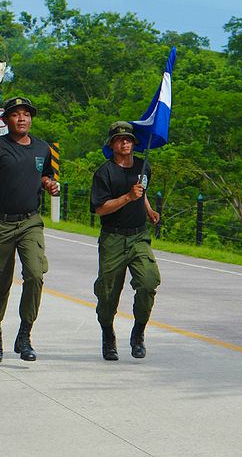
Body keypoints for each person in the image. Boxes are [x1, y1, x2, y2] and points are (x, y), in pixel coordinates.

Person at [0, 96, 60, 364]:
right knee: (0, 281)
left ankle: (25, 334)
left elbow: (44, 175)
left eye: (26, 114)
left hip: (30, 221)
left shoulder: (42, 148)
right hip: (2, 223)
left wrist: (49, 184)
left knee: (35, 274)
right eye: (15, 114)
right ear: (4, 120)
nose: (22, 119)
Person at [90, 121, 161, 361]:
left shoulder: (143, 167)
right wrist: (128, 197)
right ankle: (108, 333)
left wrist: (147, 208)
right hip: (113, 237)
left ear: (134, 142)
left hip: (139, 235)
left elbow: (142, 190)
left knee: (148, 282)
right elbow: (100, 208)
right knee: (108, 293)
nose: (125, 142)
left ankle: (138, 332)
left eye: (128, 139)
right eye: (119, 139)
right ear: (111, 144)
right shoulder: (104, 172)